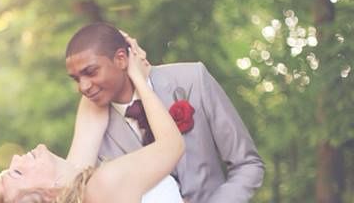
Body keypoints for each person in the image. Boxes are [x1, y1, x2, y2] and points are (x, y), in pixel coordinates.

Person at [65, 22, 265, 203]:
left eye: (91, 72)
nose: (83, 86)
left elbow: (248, 165)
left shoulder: (192, 80)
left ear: (121, 59)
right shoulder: (95, 135)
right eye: (76, 79)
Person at [0, 37, 185, 203]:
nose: (15, 159)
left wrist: (114, 50)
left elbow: (94, 107)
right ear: (47, 196)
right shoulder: (103, 186)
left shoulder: (75, 187)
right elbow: (172, 146)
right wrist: (137, 76)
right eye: (16, 173)